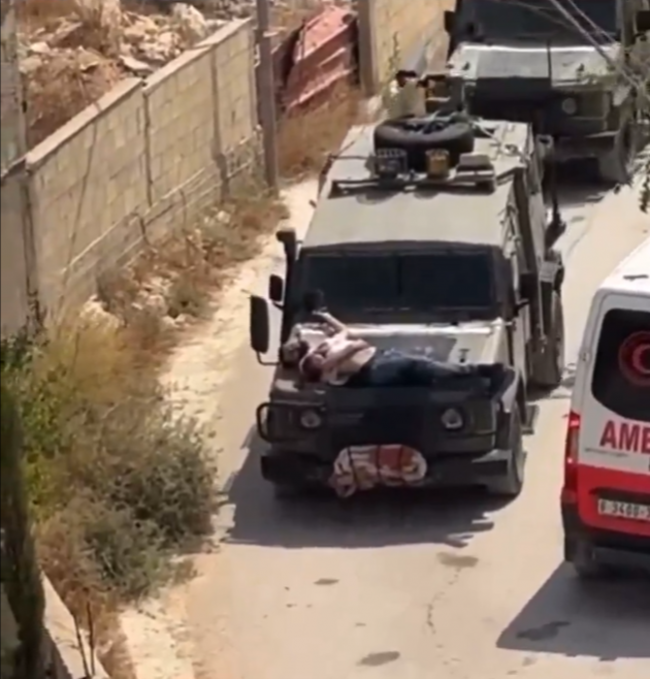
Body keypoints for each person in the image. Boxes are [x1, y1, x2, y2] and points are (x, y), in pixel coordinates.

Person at [291, 310, 495, 388]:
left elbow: (345, 332)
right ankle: (478, 372)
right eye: (313, 360)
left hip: (380, 356)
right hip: (373, 368)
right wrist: (342, 348)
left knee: (423, 369)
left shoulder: (329, 350)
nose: (316, 357)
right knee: (419, 366)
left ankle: (469, 376)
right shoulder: (328, 367)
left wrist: (325, 316)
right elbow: (355, 344)